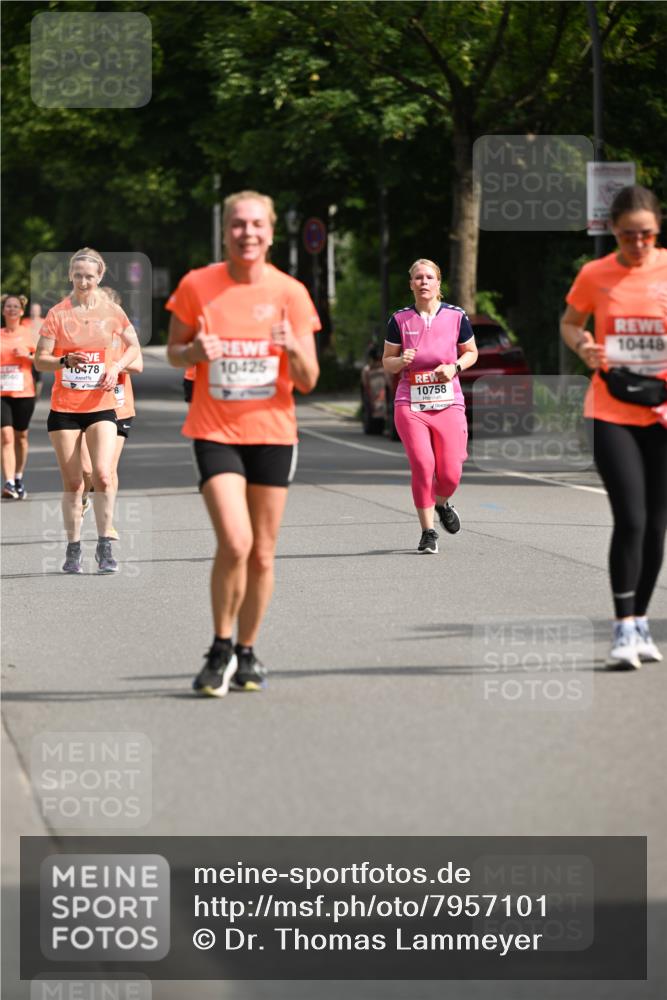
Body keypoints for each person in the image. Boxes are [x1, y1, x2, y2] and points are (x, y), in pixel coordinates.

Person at [167, 189, 320, 697]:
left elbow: (309, 378)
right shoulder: (197, 286)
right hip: (215, 430)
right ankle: (220, 646)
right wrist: (193, 349)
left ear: (271, 232)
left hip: (273, 433)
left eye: (256, 225)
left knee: (263, 555)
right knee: (235, 542)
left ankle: (248, 652)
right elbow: (172, 351)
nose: (247, 233)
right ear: (225, 230)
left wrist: (291, 344)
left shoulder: (291, 293)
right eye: (237, 224)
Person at [561, 184, 667, 668]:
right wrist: (584, 346)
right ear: (614, 232)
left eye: (646, 235)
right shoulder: (595, 274)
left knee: (657, 526)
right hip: (610, 409)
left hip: (662, 410)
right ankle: (623, 628)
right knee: (632, 518)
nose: (638, 244)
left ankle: (642, 622)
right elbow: (568, 322)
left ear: (657, 230)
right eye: (628, 236)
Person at [34, 248, 140, 574]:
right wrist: (64, 361)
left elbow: (134, 347)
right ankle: (73, 548)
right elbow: (40, 359)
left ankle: (105, 546)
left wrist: (116, 367)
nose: (83, 281)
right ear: (70, 275)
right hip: (65, 409)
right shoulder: (57, 314)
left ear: (99, 277)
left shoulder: (112, 312)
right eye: (78, 275)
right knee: (74, 483)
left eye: (89, 276)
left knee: (104, 475)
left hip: (101, 406)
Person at [383, 258, 478, 553]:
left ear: (438, 283)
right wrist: (401, 361)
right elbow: (387, 362)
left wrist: (455, 367)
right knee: (423, 465)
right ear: (411, 284)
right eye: (418, 278)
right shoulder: (399, 320)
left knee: (450, 472)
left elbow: (472, 352)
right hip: (410, 402)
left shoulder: (456, 316)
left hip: (448, 402)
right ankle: (428, 532)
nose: (423, 282)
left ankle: (441, 503)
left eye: (429, 277)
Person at [80, 287, 144, 537]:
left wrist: (114, 368)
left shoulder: (124, 334)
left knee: (107, 469)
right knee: (87, 469)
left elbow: (137, 365)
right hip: (86, 406)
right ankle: (85, 496)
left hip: (119, 405)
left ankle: (107, 522)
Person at [1, 294, 36, 499]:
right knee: (5, 436)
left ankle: (18, 476)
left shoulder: (29, 334)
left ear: (22, 311)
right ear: (3, 310)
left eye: (15, 306)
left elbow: (42, 361)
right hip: (1, 393)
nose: (12, 309)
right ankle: (9, 482)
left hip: (24, 392)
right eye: (8, 306)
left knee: (21, 437)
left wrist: (27, 356)